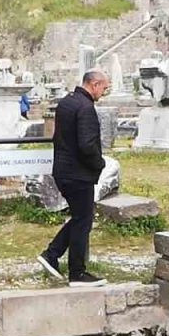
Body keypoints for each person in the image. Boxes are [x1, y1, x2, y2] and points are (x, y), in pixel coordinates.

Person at [37, 70, 109, 288]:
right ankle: (76, 272)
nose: (103, 93)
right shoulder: (85, 108)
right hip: (78, 174)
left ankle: (52, 254)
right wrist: (100, 163)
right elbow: (87, 145)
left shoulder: (67, 102)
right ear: (94, 84)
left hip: (63, 171)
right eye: (104, 88)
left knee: (80, 217)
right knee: (83, 220)